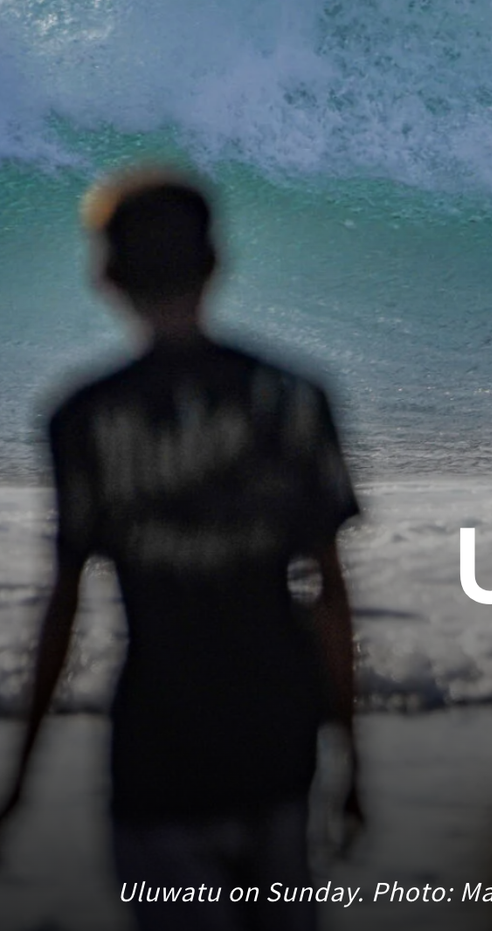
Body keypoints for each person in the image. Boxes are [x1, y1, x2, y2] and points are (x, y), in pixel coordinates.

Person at [0, 169, 363, 928]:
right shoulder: (294, 399)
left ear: (106, 275)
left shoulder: (83, 418)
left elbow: (64, 606)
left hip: (159, 743)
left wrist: (22, 776)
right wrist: (352, 758)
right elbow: (329, 593)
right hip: (276, 736)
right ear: (215, 263)